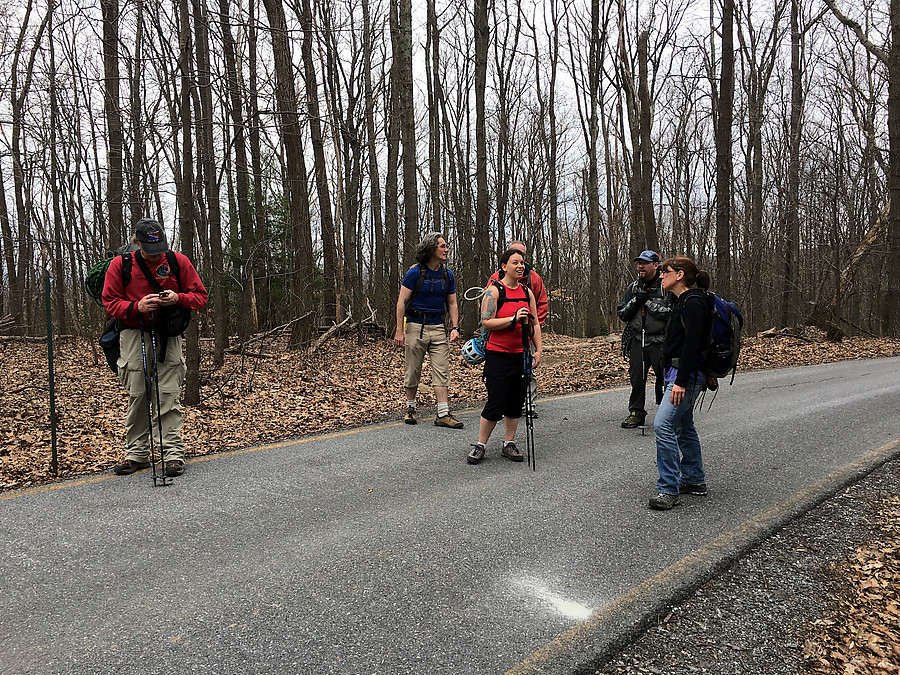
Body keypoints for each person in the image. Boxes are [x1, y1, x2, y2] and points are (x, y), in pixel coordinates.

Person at [102, 219, 209, 477]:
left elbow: (200, 296)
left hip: (168, 336)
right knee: (138, 394)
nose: (156, 254)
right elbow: (109, 302)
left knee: (167, 395)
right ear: (136, 242)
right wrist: (135, 307)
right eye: (150, 249)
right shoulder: (121, 265)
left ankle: (172, 455)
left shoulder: (177, 262)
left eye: (159, 247)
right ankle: (137, 455)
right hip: (132, 333)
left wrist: (177, 298)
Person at [467, 248, 543, 464]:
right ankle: (480, 445)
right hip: (498, 354)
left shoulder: (527, 292)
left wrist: (539, 349)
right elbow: (486, 322)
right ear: (504, 266)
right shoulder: (494, 291)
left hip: (521, 354)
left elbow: (535, 323)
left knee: (515, 401)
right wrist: (512, 319)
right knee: (496, 401)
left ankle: (508, 443)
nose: (520, 266)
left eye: (522, 263)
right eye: (515, 262)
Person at [649, 256, 711, 510]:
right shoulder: (682, 301)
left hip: (684, 376)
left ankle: (668, 488)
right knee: (684, 427)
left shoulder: (694, 303)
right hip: (675, 374)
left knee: (662, 425)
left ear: (680, 275)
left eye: (666, 272)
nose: (661, 276)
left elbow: (692, 347)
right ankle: (695, 480)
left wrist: (681, 382)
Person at [394, 232, 464, 429]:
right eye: (442, 246)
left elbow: (452, 303)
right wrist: (399, 330)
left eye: (446, 246)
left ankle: (443, 413)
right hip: (416, 325)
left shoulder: (447, 274)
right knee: (413, 368)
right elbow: (401, 302)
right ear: (431, 248)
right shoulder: (415, 273)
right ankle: (410, 408)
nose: (446, 249)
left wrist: (455, 327)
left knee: (441, 369)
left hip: (438, 327)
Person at [487, 240, 548, 414]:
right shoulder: (495, 280)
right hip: (499, 340)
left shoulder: (533, 279)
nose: (520, 264)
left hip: (524, 337)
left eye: (522, 259)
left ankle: (529, 404)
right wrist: (508, 321)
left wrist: (531, 327)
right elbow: (488, 310)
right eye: (515, 258)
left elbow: (541, 304)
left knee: (528, 371)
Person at [616, 250, 673, 428]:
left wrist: (648, 303)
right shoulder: (633, 288)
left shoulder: (666, 287)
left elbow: (671, 314)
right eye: (639, 263)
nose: (641, 266)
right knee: (637, 378)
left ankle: (670, 415)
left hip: (660, 341)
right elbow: (622, 313)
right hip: (637, 340)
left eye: (645, 263)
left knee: (666, 379)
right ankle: (636, 413)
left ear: (656, 265)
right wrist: (635, 302)